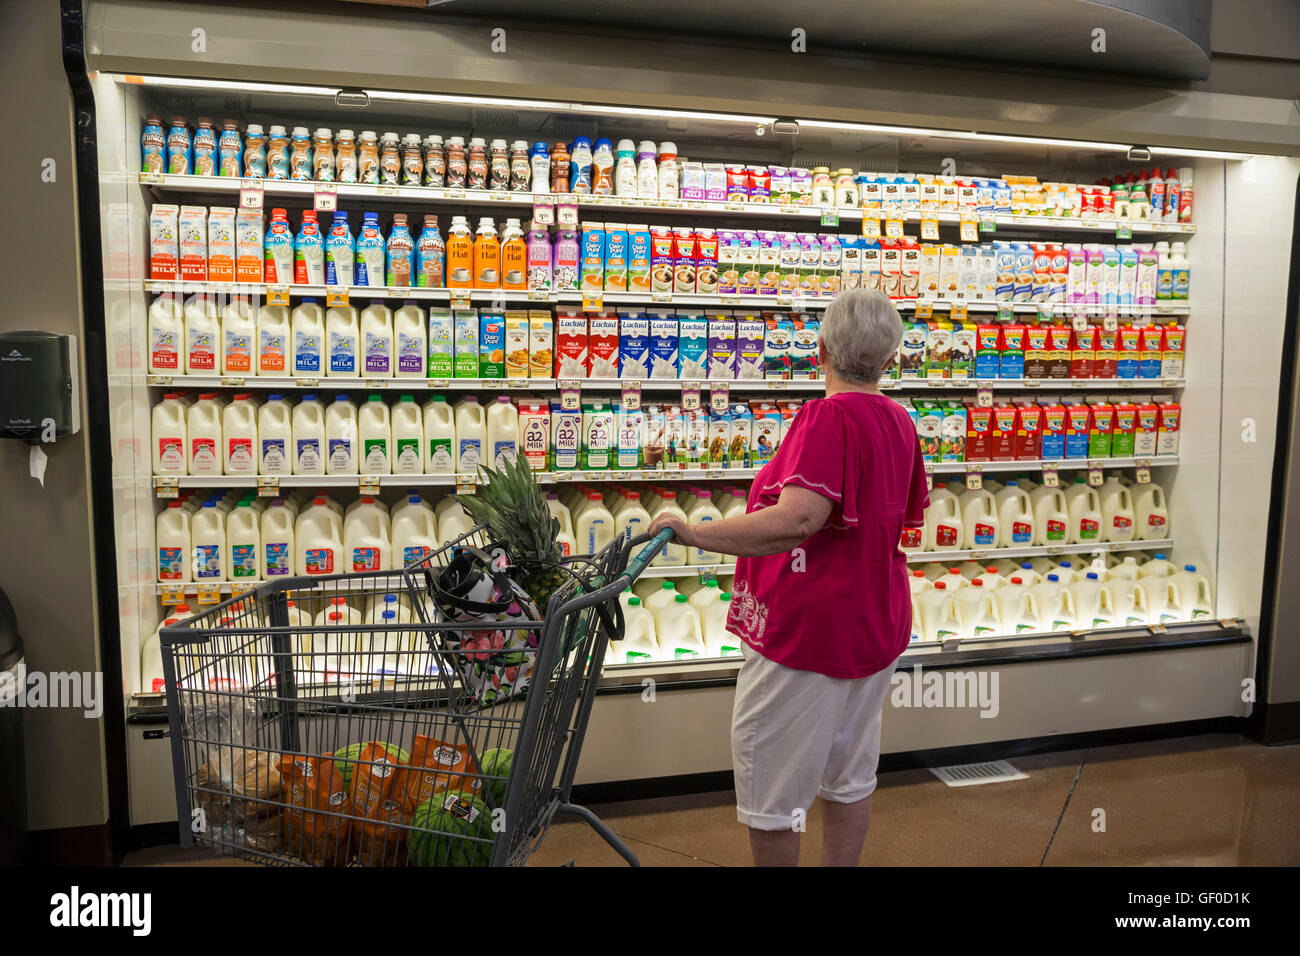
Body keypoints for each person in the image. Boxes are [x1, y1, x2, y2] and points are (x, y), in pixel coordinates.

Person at [648, 288, 928, 867]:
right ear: (892, 357)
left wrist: (697, 533)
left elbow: (798, 520)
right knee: (850, 772)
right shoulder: (900, 420)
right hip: (875, 624)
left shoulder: (828, 416)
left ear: (819, 348)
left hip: (809, 635)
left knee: (774, 790)